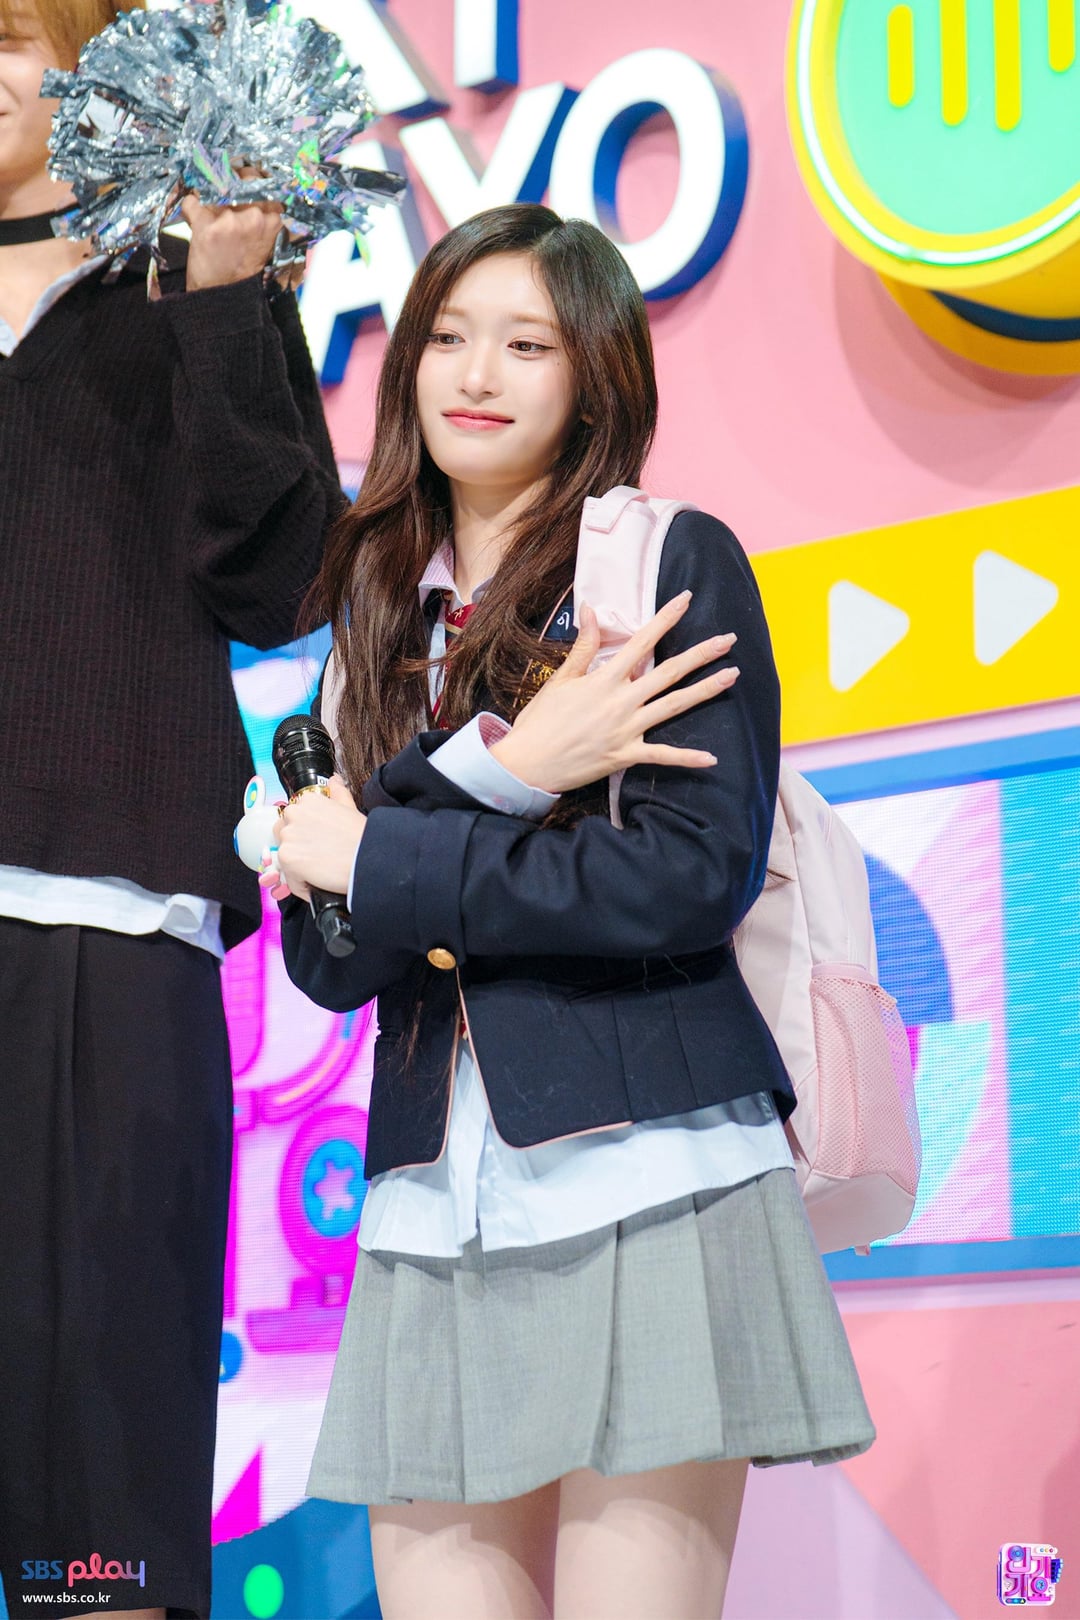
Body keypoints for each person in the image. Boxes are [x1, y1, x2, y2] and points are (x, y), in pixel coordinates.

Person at [274, 202, 875, 1620]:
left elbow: (680, 877)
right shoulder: (373, 605)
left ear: (596, 375)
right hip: (431, 1201)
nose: (476, 373)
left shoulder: (661, 563)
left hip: (651, 1175)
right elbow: (330, 954)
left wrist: (389, 853)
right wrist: (504, 777)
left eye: (527, 344)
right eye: (447, 337)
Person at [0, 2, 343, 1616]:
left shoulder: (186, 277)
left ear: (98, 62)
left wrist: (226, 304)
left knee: (98, 1516)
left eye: (13, 35)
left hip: (106, 924)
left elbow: (284, 582)